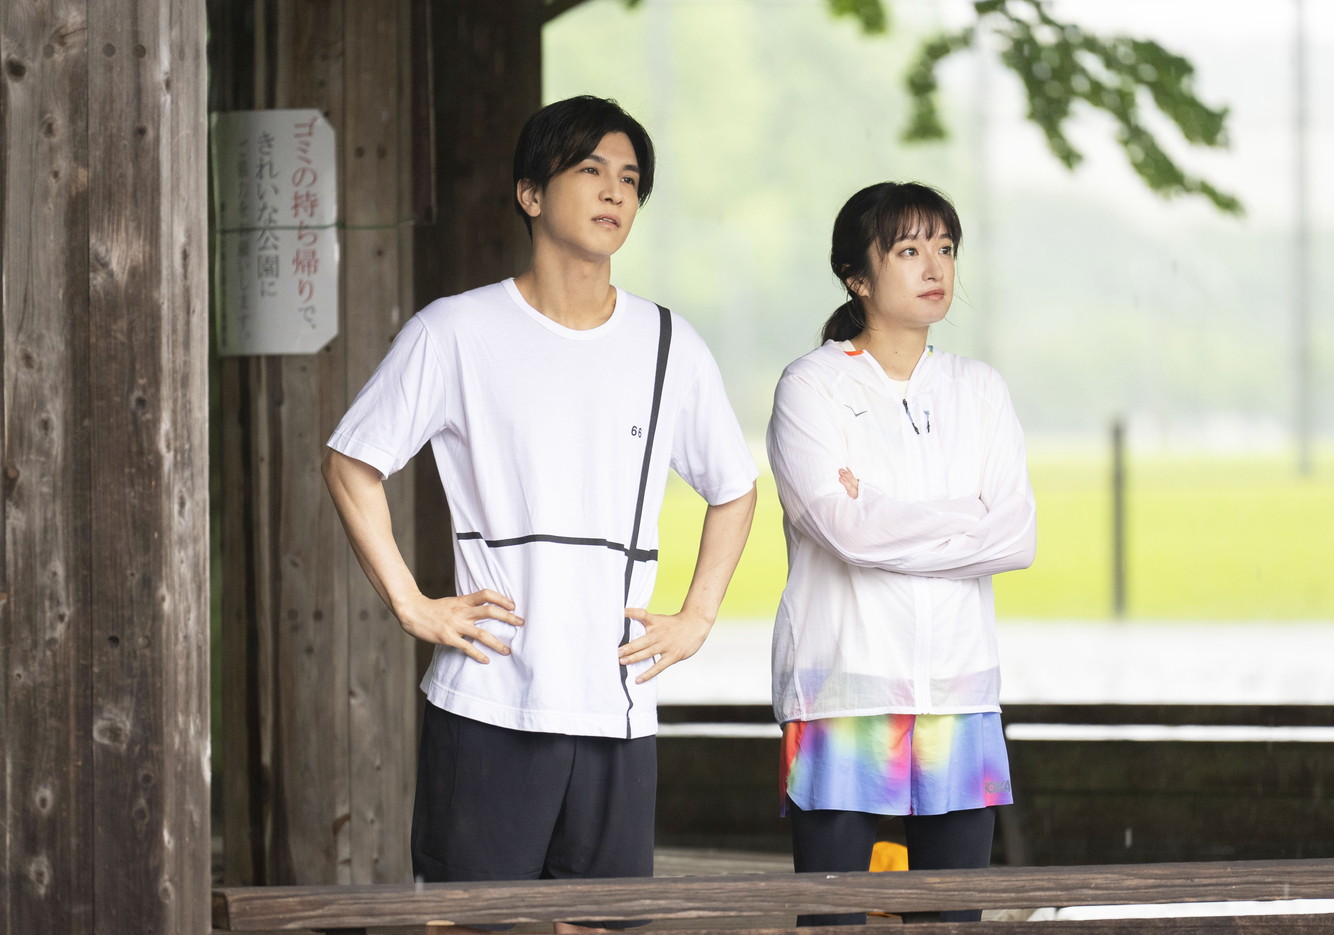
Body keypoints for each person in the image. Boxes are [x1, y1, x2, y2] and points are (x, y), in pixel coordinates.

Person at [322, 95, 758, 933]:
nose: (615, 191)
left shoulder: (670, 343)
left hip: (615, 704)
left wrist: (698, 614)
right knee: (471, 924)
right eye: (590, 170)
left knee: (604, 926)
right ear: (530, 193)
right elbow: (351, 461)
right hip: (489, 698)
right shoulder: (456, 331)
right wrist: (411, 603)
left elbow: (734, 488)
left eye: (629, 178)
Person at [766, 181, 1036, 926]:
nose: (935, 266)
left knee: (951, 919)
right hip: (843, 689)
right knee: (833, 918)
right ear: (857, 275)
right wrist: (964, 518)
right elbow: (842, 530)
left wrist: (882, 511)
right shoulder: (812, 386)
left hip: (958, 692)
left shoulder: (979, 389)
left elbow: (1016, 536)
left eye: (944, 248)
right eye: (909, 250)